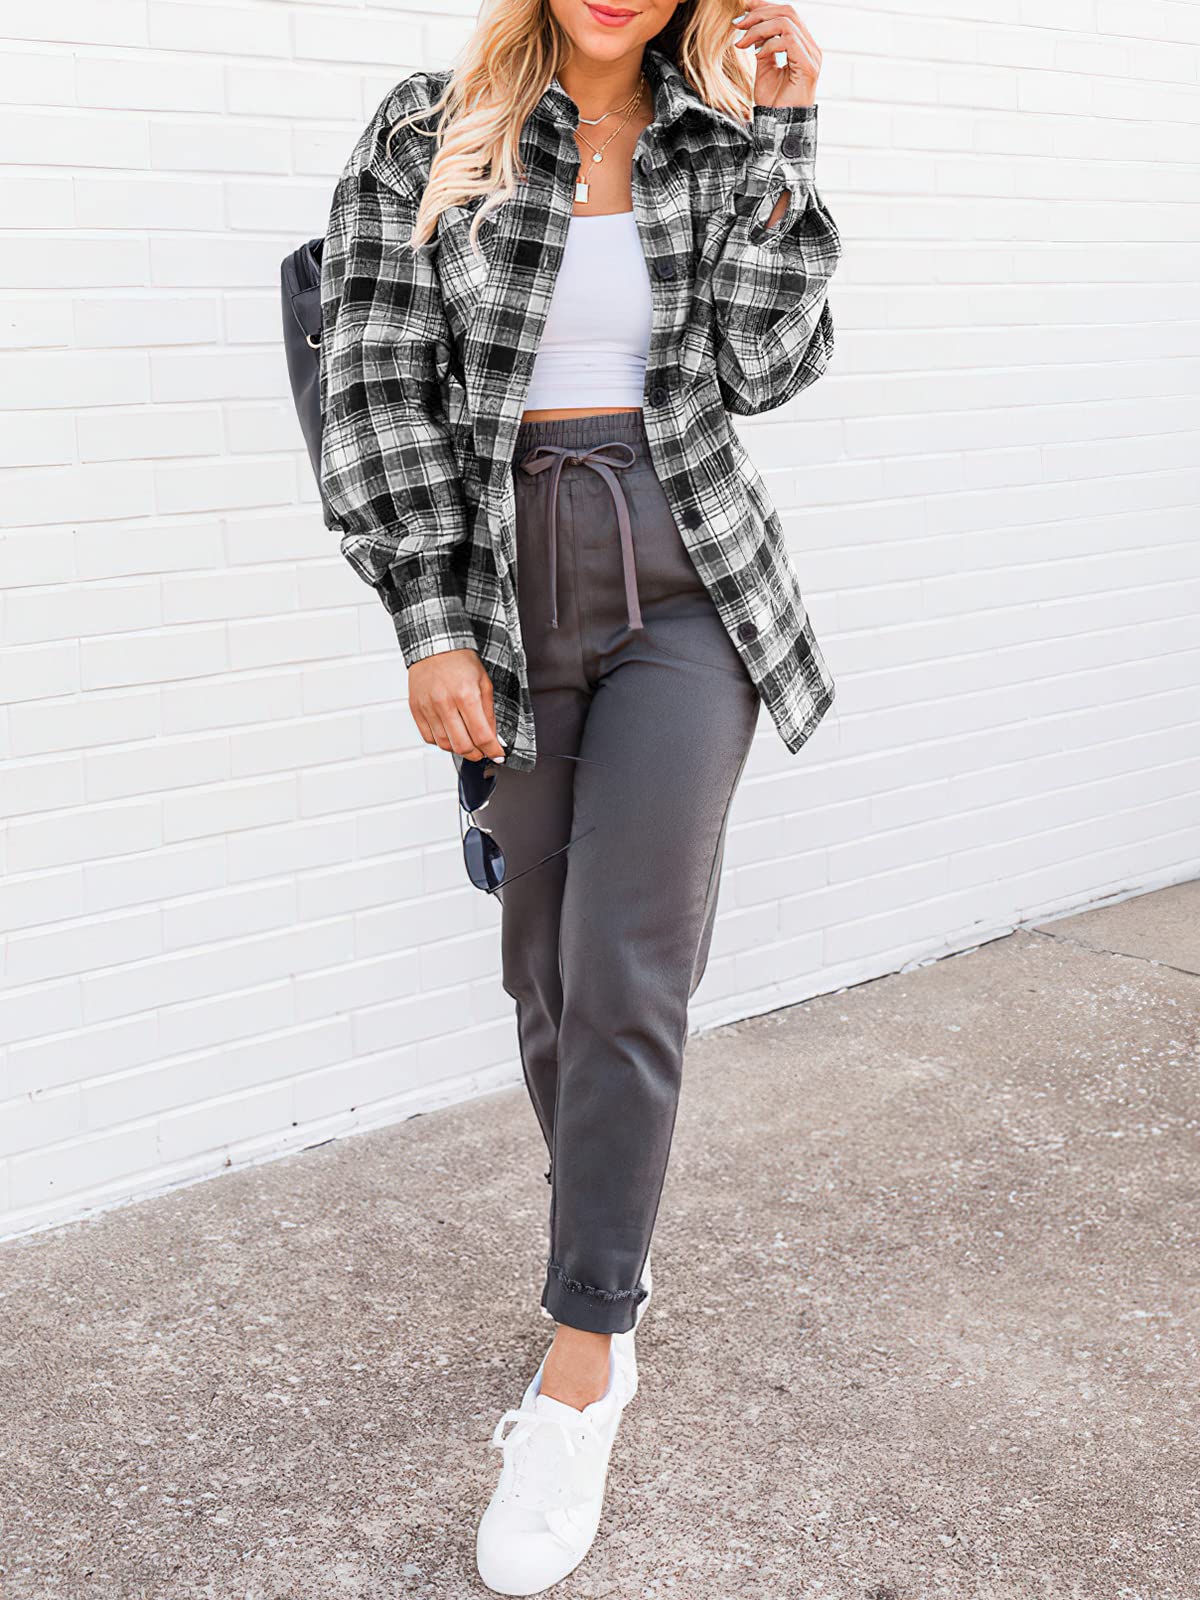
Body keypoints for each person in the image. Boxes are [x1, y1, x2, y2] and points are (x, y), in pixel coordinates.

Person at [318, 0, 839, 1590]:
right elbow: (371, 384)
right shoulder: (428, 128)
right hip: (504, 590)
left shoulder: (711, 136)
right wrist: (429, 623)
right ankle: (604, 1240)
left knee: (625, 968)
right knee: (543, 975)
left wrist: (784, 137)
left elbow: (768, 367)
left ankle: (583, 1363)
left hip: (690, 589)